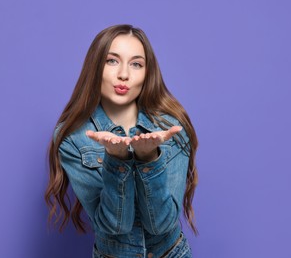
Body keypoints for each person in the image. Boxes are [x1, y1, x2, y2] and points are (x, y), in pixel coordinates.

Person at [46, 24, 198, 258]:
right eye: (112, 61)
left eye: (136, 64)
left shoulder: (171, 128)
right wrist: (117, 160)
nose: (124, 74)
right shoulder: (73, 137)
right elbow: (115, 226)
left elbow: (161, 224)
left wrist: (149, 158)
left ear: (148, 73)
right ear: (95, 66)